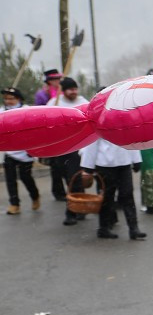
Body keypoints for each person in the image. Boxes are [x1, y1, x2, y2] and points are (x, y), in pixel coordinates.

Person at [80, 137, 147, 240]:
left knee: (127, 194)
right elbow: (92, 142)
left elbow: (132, 137)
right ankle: (104, 228)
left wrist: (136, 159)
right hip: (104, 164)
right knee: (106, 197)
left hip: (124, 163)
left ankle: (134, 228)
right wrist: (87, 167)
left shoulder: (126, 121)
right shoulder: (99, 121)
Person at [48, 78, 90, 226]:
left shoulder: (83, 101)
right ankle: (79, 207)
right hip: (60, 148)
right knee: (68, 180)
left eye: (75, 89)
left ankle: (72, 212)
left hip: (77, 148)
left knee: (74, 180)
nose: (74, 92)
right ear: (63, 90)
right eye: (70, 89)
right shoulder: (54, 103)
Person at [2, 88, 40, 215]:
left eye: (11, 98)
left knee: (26, 177)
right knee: (10, 179)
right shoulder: (2, 112)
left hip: (25, 152)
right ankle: (14, 204)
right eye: (6, 98)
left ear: (18, 99)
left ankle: (35, 196)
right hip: (10, 152)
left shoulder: (27, 110)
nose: (8, 101)